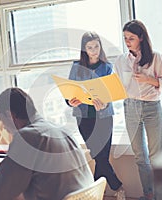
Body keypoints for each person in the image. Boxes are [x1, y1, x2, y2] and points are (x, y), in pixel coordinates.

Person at [0, 87, 94, 200]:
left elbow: (0, 193)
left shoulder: (27, 137)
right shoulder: (59, 129)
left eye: (1, 120)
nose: (3, 127)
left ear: (11, 115)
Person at [114, 20, 162, 200]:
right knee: (140, 157)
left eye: (131, 38)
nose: (127, 41)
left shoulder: (156, 57)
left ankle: (159, 197)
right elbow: (115, 86)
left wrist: (148, 79)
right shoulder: (121, 60)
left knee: (156, 157)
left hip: (152, 107)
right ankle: (149, 195)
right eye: (125, 38)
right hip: (130, 107)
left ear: (141, 38)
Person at [66, 31, 125, 199]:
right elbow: (69, 93)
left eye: (96, 46)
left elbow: (111, 92)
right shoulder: (76, 67)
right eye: (90, 47)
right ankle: (117, 187)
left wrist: (105, 102)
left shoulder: (107, 67)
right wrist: (70, 101)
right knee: (98, 156)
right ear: (84, 49)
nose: (94, 50)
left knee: (102, 157)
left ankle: (97, 194)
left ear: (100, 46)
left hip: (104, 117)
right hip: (83, 118)